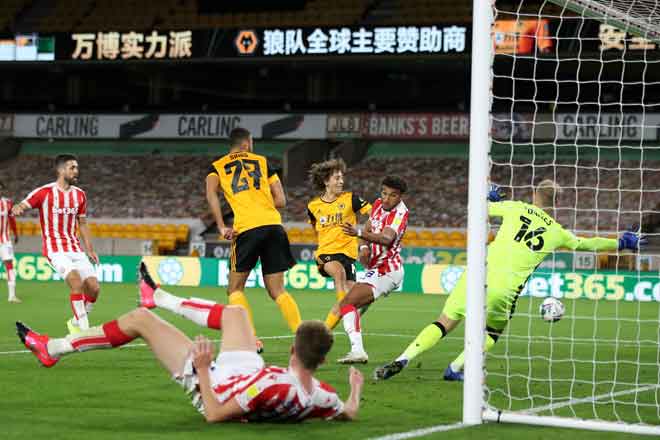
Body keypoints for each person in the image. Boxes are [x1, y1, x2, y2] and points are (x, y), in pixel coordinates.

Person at [17, 262, 364, 423]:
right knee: (235, 315)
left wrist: (200, 368)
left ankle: (55, 348)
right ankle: (158, 296)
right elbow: (346, 411)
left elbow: (214, 415)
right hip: (247, 371)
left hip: (214, 384)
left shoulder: (271, 388)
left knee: (140, 320)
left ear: (292, 349)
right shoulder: (322, 393)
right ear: (320, 361)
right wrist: (355, 390)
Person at [374, 179, 647, 381]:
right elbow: (587, 245)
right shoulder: (558, 232)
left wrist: (490, 196)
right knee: (492, 332)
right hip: (504, 289)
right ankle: (455, 369)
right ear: (556, 202)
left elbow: (480, 208)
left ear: (534, 195)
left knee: (444, 321)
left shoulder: (516, 207)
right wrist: (620, 242)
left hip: (477, 273)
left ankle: (403, 358)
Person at [206, 127, 301, 350]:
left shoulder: (217, 167)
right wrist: (261, 202)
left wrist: (221, 226)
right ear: (247, 143)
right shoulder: (262, 162)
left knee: (235, 289)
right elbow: (281, 200)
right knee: (278, 290)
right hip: (273, 226)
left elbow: (210, 194)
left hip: (247, 228)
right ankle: (301, 336)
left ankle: (251, 339)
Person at [323, 176, 409, 364]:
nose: (386, 199)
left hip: (387, 270)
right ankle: (332, 341)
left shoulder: (400, 214)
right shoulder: (378, 204)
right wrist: (363, 247)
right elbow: (369, 226)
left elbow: (386, 239)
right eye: (384, 193)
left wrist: (359, 234)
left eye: (393, 195)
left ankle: (356, 350)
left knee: (347, 304)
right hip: (375, 269)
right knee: (349, 308)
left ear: (400, 197)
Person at [12, 154, 99, 332]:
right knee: (76, 283)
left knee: (94, 288)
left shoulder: (80, 195)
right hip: (55, 250)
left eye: (77, 167)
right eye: (72, 168)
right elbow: (24, 204)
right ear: (60, 170)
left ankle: (76, 321)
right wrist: (18, 207)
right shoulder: (44, 192)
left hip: (75, 249)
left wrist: (90, 249)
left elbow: (82, 223)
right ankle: (84, 330)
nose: (76, 171)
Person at [307, 158, 371, 304]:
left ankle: (341, 320)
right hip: (326, 254)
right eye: (337, 178)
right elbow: (316, 229)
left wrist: (364, 239)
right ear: (326, 181)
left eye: (342, 178)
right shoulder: (313, 206)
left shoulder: (351, 199)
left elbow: (375, 215)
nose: (341, 181)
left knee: (360, 300)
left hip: (348, 255)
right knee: (339, 272)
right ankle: (345, 312)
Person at [0, 182, 19, 303]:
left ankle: (12, 296)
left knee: (9, 266)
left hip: (5, 240)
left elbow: (12, 220)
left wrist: (16, 233)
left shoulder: (7, 203)